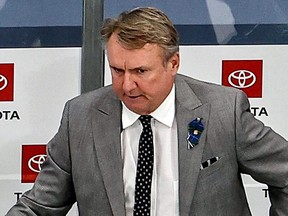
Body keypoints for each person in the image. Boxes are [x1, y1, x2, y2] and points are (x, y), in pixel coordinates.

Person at [6, 7, 288, 216]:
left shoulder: (224, 111)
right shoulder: (80, 117)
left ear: (173, 63)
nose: (127, 85)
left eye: (141, 71)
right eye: (117, 70)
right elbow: (38, 207)